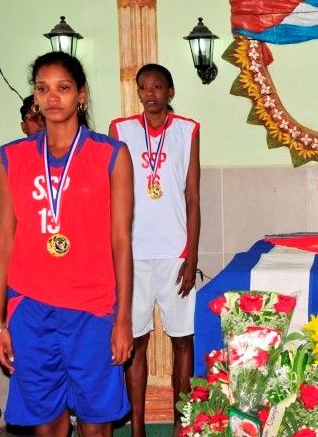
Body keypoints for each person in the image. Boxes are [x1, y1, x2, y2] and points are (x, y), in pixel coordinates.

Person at [0, 51, 134, 437]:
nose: (52, 97)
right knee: (46, 423)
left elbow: (122, 241)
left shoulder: (111, 155)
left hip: (93, 309)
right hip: (31, 307)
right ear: (35, 96)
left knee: (95, 424)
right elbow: (3, 238)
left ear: (81, 95)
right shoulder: (10, 158)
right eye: (43, 88)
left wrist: (123, 320)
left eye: (63, 88)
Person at [109, 63, 200, 437]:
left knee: (183, 339)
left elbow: (193, 198)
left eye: (157, 86)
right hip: (132, 256)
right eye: (143, 87)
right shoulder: (121, 130)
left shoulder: (188, 130)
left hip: (176, 253)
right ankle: (137, 428)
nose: (150, 93)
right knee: (136, 342)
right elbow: (112, 194)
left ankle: (182, 424)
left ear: (170, 92)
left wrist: (192, 255)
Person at [0, 95, 46, 220]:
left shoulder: (74, 155)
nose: (40, 123)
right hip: (22, 235)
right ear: (23, 127)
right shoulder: (6, 158)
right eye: (33, 118)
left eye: (44, 117)